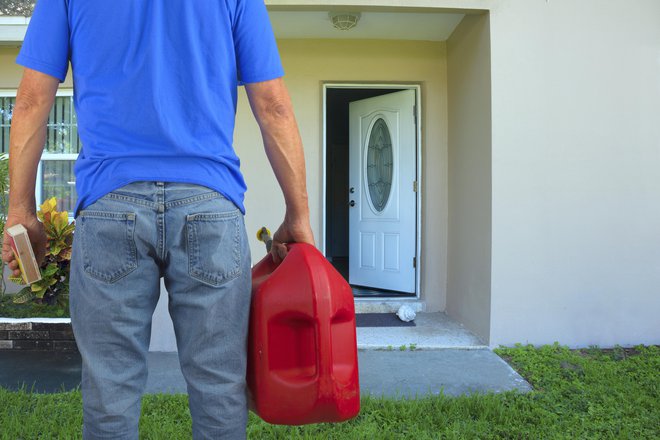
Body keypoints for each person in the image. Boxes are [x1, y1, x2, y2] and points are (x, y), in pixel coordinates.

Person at [1, 1, 314, 439]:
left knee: (110, 392)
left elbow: (33, 99)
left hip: (111, 206)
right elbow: (274, 106)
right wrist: (298, 215)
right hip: (210, 206)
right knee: (219, 387)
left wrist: (21, 212)